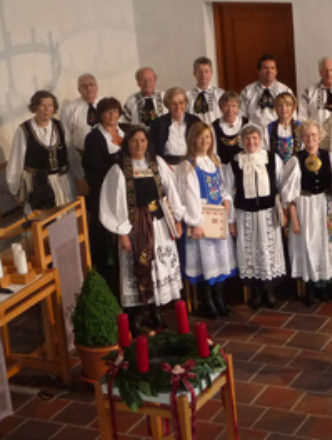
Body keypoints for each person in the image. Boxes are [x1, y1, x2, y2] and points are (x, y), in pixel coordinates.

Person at [99, 126, 184, 335]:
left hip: (159, 223)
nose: (139, 145)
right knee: (136, 268)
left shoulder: (157, 164)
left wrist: (177, 218)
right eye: (135, 141)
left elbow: (170, 191)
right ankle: (135, 316)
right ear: (127, 143)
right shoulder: (119, 170)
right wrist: (122, 232)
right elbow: (112, 204)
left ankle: (155, 311)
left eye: (143, 141)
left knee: (158, 268)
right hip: (135, 227)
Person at [176, 122, 237, 319]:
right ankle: (207, 301)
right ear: (193, 139)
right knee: (205, 261)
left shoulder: (214, 160)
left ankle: (219, 298)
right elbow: (190, 196)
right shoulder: (188, 165)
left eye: (208, 137)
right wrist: (195, 222)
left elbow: (222, 186)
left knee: (220, 259)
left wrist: (226, 200)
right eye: (201, 137)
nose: (205, 141)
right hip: (201, 219)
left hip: (216, 217)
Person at [223, 124, 287, 308]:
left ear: (260, 139)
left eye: (255, 138)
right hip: (246, 214)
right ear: (242, 141)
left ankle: (270, 291)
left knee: (268, 252)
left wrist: (283, 210)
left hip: (268, 214)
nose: (251, 142)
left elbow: (282, 186)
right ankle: (256, 293)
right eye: (247, 139)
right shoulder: (235, 162)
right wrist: (231, 220)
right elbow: (228, 192)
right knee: (251, 252)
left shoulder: (272, 159)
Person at [281, 120, 332, 304]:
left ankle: (324, 285)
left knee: (324, 244)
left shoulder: (329, 157)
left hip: (324, 204)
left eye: (314, 135)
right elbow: (288, 194)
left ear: (319, 137)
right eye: (306, 135)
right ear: (301, 138)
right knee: (307, 245)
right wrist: (294, 218)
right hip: (304, 206)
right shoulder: (295, 160)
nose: (310, 139)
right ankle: (310, 288)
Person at [82, 97, 128, 291]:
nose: (113, 115)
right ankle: (110, 280)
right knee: (106, 238)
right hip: (104, 193)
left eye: (116, 111)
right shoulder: (93, 138)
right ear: (100, 115)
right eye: (108, 112)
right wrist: (118, 169)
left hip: (127, 190)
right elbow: (93, 166)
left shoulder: (127, 131)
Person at [6, 90, 76, 212]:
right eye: (42, 105)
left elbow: (72, 155)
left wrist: (79, 177)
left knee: (67, 220)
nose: (46, 109)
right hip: (38, 186)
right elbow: (16, 162)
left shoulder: (60, 126)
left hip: (63, 182)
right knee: (43, 223)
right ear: (35, 107)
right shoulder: (24, 131)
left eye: (50, 105)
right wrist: (14, 190)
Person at [149, 87, 202, 166]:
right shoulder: (159, 124)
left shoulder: (195, 121)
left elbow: (201, 144)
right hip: (166, 165)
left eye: (181, 102)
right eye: (174, 104)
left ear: (186, 103)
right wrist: (164, 165)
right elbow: (153, 149)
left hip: (192, 163)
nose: (178, 107)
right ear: (167, 105)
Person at [240, 53, 294, 128]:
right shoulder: (247, 91)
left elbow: (293, 116)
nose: (269, 71)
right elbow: (241, 116)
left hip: (279, 132)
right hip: (254, 133)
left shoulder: (286, 91)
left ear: (276, 71)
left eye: (272, 68)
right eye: (265, 68)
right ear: (258, 71)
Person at [60, 73, 99, 166]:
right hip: (81, 158)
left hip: (106, 157)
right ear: (79, 90)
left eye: (91, 85)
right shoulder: (70, 109)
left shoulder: (107, 104)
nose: (88, 89)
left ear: (96, 87)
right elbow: (65, 136)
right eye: (84, 86)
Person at [299, 57, 332, 122]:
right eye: (325, 70)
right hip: (315, 131)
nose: (329, 74)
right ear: (320, 72)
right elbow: (302, 117)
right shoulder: (308, 91)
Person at [212, 91, 249, 165]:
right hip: (223, 168)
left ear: (238, 107)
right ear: (220, 108)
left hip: (243, 167)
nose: (230, 110)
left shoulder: (247, 124)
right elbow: (212, 152)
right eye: (226, 106)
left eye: (234, 106)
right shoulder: (213, 127)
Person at [186, 56, 225, 124]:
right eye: (200, 72)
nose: (203, 75)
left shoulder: (220, 94)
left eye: (206, 71)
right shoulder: (187, 96)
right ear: (194, 73)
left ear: (211, 73)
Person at [265, 92, 302, 162]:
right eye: (279, 106)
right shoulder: (269, 128)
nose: (283, 109)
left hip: (296, 166)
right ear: (276, 108)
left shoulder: (300, 127)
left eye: (287, 105)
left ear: (293, 107)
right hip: (276, 167)